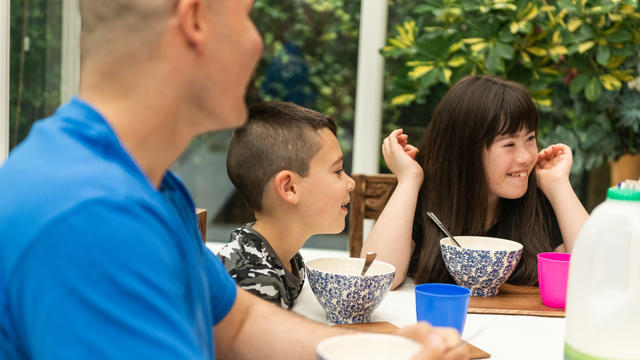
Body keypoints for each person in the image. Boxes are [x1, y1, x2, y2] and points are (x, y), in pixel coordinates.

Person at [0, 0, 467, 359]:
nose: (258, 44)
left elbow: (236, 323)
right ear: (196, 19)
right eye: (246, 16)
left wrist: (380, 350)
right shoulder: (92, 217)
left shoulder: (151, 187)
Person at [362, 75, 589, 289]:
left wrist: (558, 184)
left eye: (530, 139)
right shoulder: (422, 197)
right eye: (509, 144)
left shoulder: (537, 199)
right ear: (466, 152)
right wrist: (409, 180)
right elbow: (373, 279)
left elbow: (599, 274)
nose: (526, 157)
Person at [218, 101, 355, 309]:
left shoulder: (288, 260)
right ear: (290, 188)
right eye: (337, 171)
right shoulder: (254, 283)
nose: (351, 183)